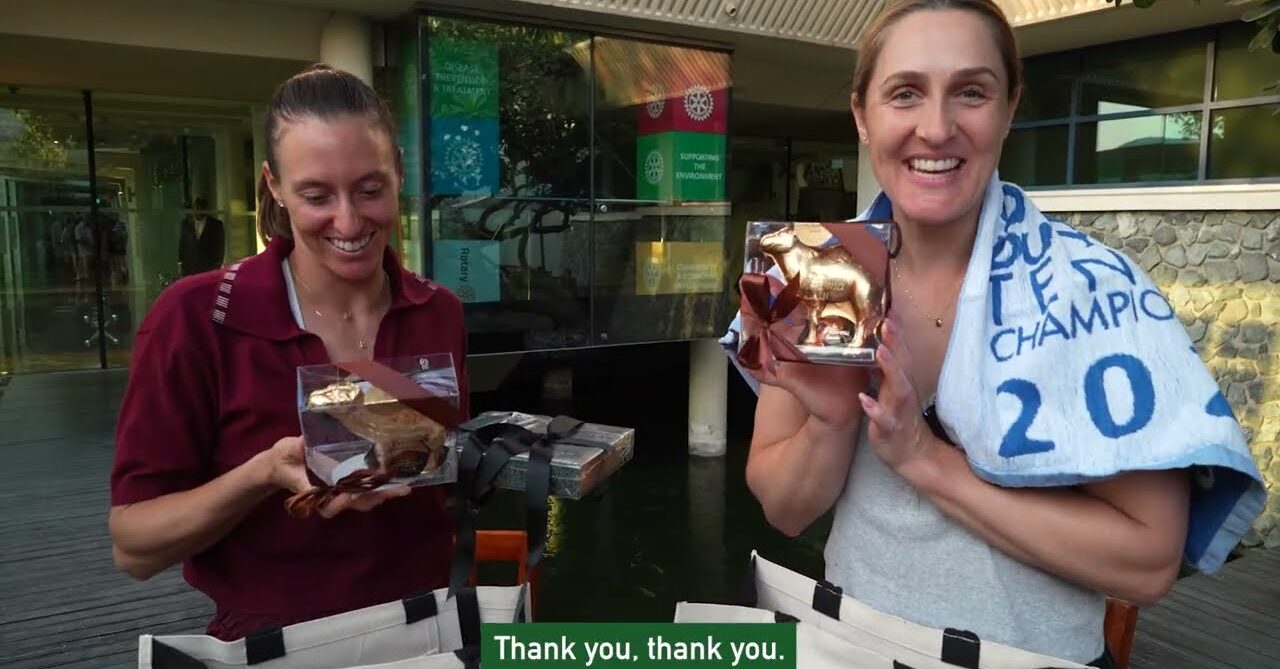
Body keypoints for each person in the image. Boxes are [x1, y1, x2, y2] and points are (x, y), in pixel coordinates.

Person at [738, 2, 1195, 666]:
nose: (936, 127)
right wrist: (832, 421)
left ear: (1009, 109)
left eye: (971, 92)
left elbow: (1149, 562)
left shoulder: (1095, 291)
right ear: (863, 116)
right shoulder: (814, 269)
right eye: (905, 93)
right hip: (847, 647)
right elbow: (784, 510)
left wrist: (923, 458)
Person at [109, 64, 469, 641]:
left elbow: (441, 477)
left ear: (399, 172)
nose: (349, 221)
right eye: (316, 195)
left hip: (422, 629)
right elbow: (134, 547)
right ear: (274, 185)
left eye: (370, 189)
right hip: (274, 643)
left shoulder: (437, 312)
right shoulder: (198, 318)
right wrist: (261, 475)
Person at [178, 196, 226, 276]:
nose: (199, 209)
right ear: (193, 208)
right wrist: (180, 263)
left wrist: (218, 264)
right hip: (190, 267)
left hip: (209, 267)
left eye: (202, 207)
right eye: (197, 207)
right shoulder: (186, 224)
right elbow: (182, 244)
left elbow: (220, 245)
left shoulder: (216, 225)